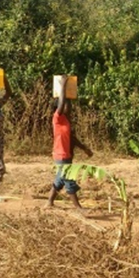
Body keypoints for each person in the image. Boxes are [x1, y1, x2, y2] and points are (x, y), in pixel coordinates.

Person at [45, 75, 93, 210]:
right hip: (60, 154)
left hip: (66, 155)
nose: (69, 106)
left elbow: (72, 138)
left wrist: (84, 148)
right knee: (69, 179)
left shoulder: (66, 121)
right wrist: (63, 84)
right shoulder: (57, 119)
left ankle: (49, 202)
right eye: (67, 104)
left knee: (60, 179)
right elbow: (60, 103)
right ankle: (78, 207)